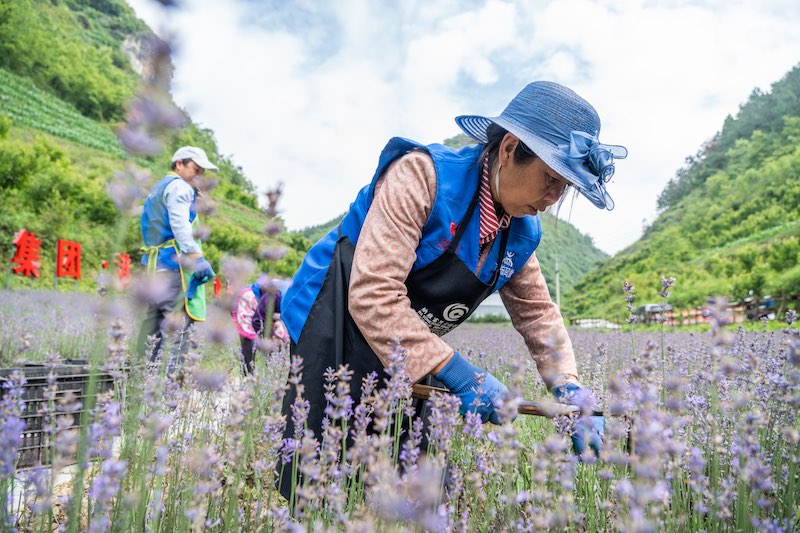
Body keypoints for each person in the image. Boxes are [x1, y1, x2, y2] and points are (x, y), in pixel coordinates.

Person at [278, 81, 627, 499]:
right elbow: (373, 291)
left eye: (565, 187)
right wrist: (461, 374)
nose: (553, 198)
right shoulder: (422, 176)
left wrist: (569, 389)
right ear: (509, 148)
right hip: (335, 316)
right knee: (318, 464)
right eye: (550, 178)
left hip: (408, 342)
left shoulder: (519, 231)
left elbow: (538, 315)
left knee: (412, 472)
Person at [136, 146, 219, 361]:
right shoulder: (180, 187)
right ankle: (168, 387)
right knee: (176, 327)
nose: (199, 177)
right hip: (174, 267)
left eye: (202, 173)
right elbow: (180, 225)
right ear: (179, 164)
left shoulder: (159, 187)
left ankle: (140, 379)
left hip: (155, 266)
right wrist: (196, 257)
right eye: (195, 169)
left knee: (152, 326)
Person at [230, 278, 290, 375]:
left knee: (280, 339)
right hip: (246, 301)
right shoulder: (276, 295)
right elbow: (257, 320)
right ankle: (248, 377)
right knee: (250, 341)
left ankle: (272, 373)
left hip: (267, 306)